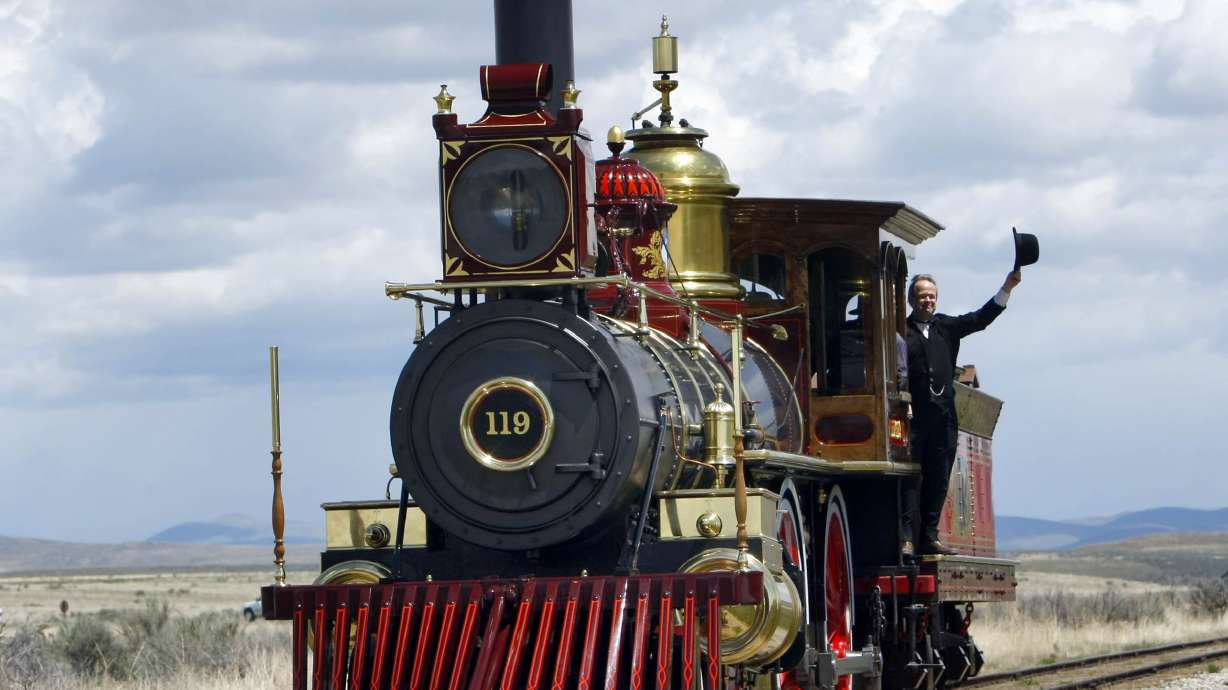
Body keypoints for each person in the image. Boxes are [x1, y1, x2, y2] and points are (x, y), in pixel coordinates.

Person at [901, 270, 1022, 557]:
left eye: (931, 296)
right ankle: (906, 538)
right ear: (911, 300)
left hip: (944, 416)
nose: (927, 301)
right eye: (922, 296)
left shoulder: (946, 327)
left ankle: (929, 536)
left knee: (939, 476)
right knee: (910, 478)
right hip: (913, 416)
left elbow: (981, 318)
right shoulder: (901, 331)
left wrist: (1007, 287)